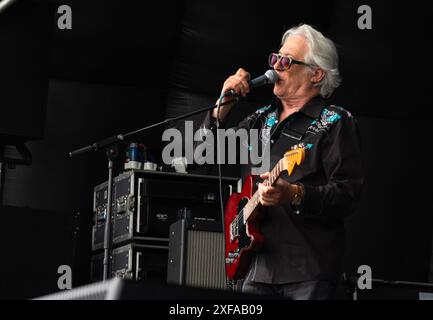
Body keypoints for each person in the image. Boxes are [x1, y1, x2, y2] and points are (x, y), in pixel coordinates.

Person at [199, 24, 363, 299]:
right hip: (255, 269)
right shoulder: (260, 119)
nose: (276, 66)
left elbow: (348, 194)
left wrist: (295, 194)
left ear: (317, 74)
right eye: (275, 58)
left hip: (307, 272)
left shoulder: (336, 122)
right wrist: (221, 108)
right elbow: (201, 158)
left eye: (286, 61)